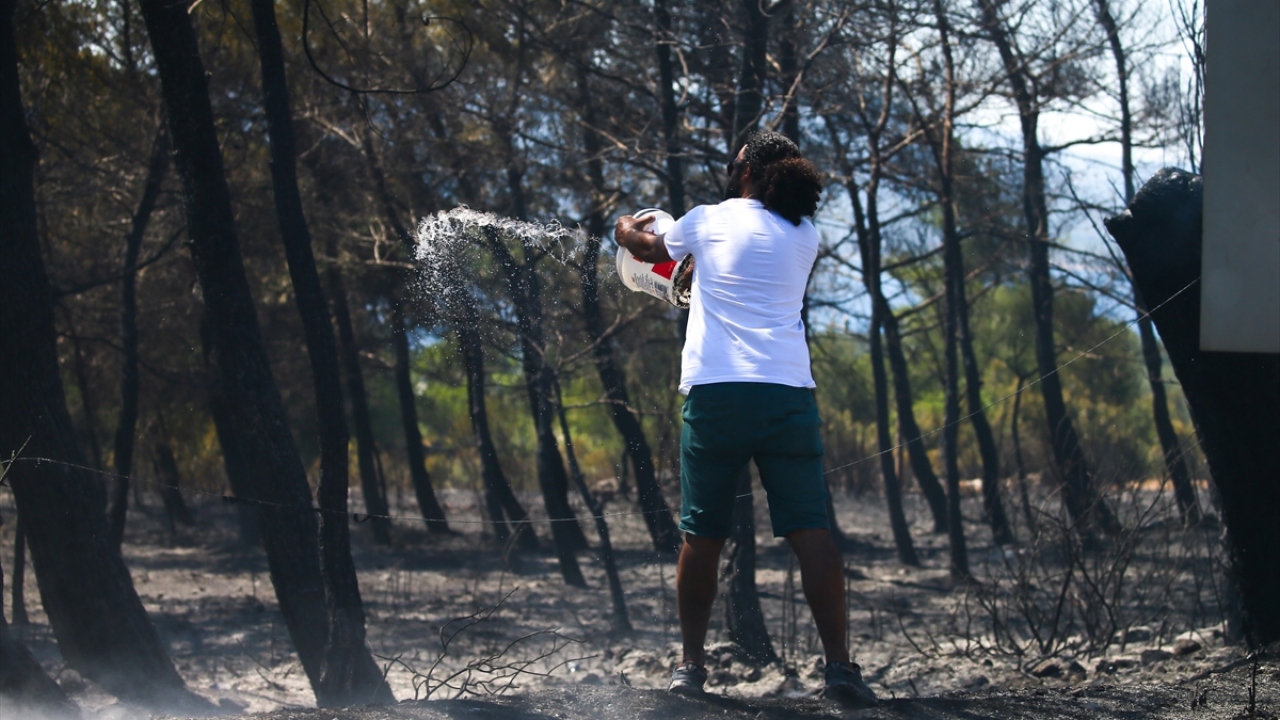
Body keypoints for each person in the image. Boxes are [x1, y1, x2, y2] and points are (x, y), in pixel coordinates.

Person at [614, 130, 879, 708]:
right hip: (787, 396)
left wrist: (623, 229)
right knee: (811, 530)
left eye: (737, 165)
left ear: (751, 172)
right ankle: (839, 669)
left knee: (702, 535)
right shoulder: (805, 234)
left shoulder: (706, 220)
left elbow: (649, 250)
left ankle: (690, 669)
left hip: (717, 396)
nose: (730, 171)